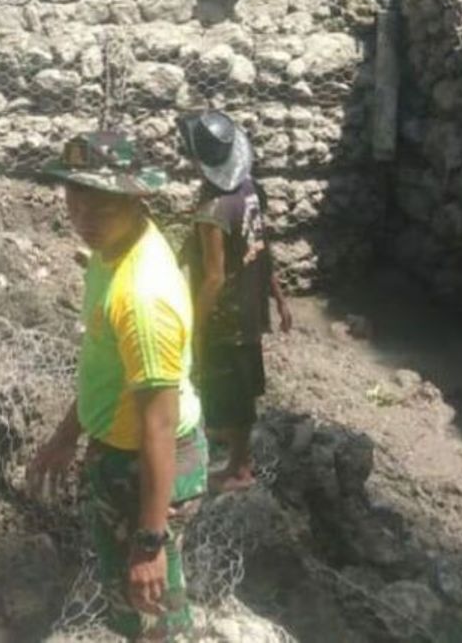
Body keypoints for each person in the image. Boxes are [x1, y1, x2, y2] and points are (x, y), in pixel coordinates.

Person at [27, 133, 208, 640]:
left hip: (147, 469)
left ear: (135, 199)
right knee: (130, 606)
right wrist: (68, 435)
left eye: (99, 206)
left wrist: (150, 541)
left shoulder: (143, 297)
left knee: (153, 614)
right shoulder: (111, 254)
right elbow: (105, 370)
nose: (83, 217)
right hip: (119, 455)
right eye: (74, 201)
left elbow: (160, 422)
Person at [177, 110, 292, 493]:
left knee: (228, 388)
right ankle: (232, 451)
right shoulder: (249, 190)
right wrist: (278, 297)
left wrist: (193, 326)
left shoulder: (213, 212)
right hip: (251, 307)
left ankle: (239, 470)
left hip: (225, 317)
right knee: (239, 387)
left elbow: (212, 277)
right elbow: (261, 246)